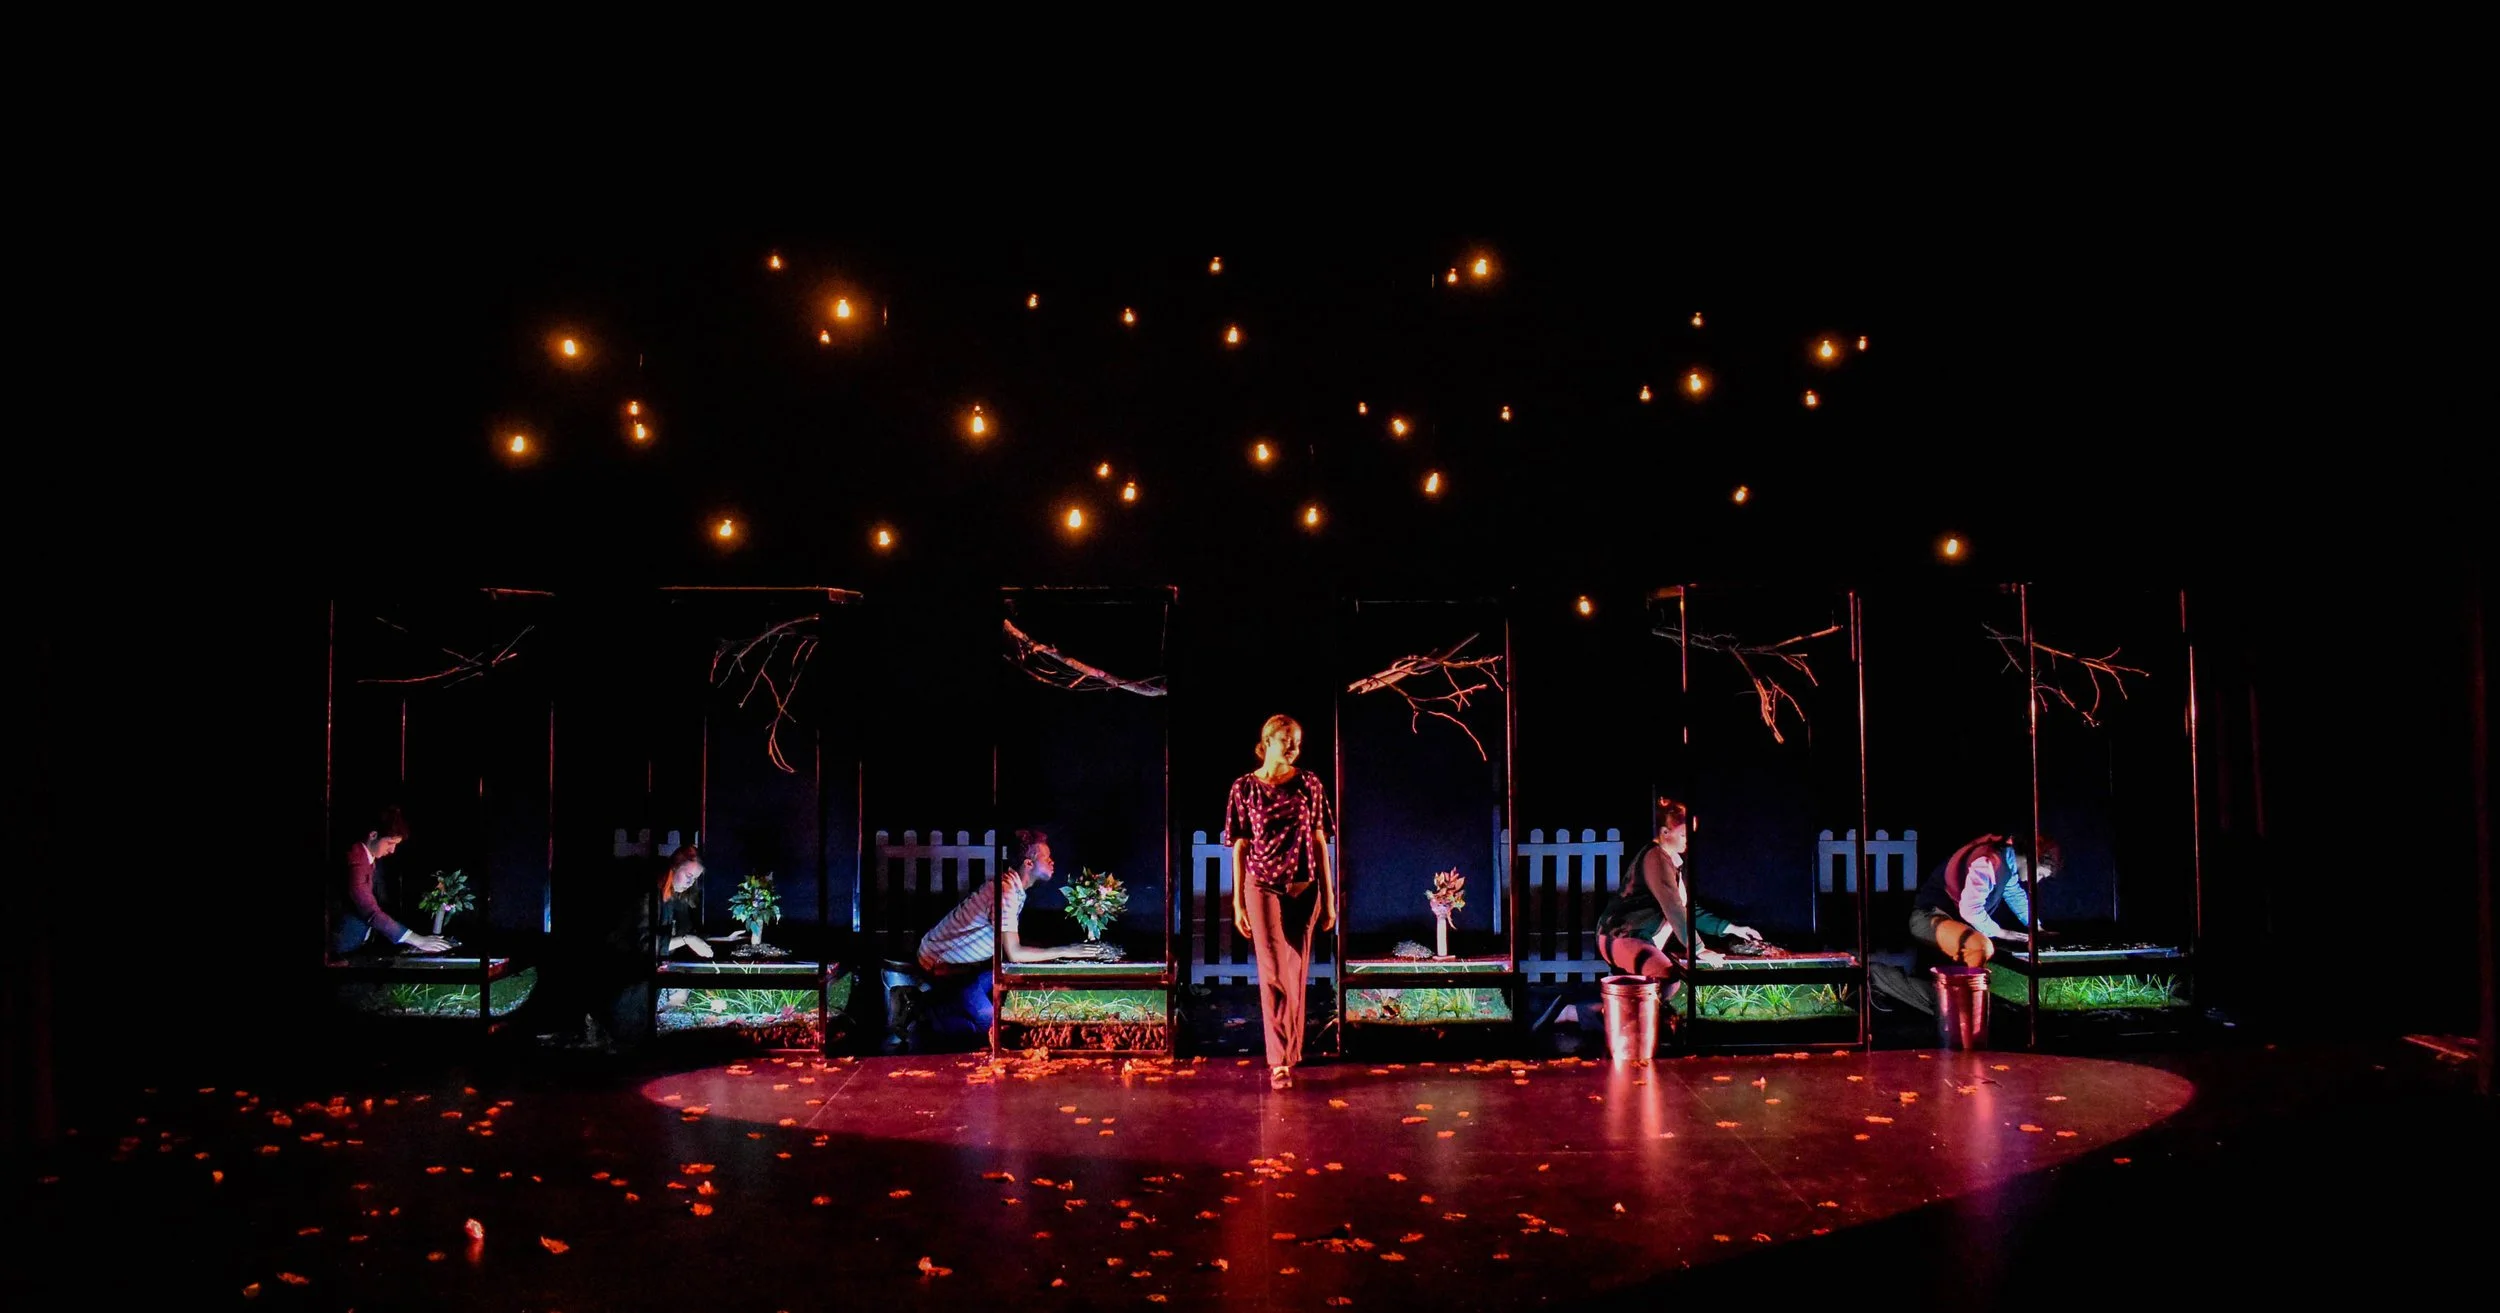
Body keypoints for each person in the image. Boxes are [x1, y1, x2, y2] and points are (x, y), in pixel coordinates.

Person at [908, 829, 1115, 1045]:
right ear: (1028, 863)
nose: (1052, 861)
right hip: (941, 966)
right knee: (991, 1027)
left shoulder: (1013, 887)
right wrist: (1066, 951)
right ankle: (923, 1013)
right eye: (1046, 857)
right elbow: (1015, 953)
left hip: (964, 967)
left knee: (1004, 985)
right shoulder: (1006, 892)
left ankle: (934, 1006)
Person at [1224, 715, 1338, 1090]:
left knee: (1295, 972)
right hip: (1262, 885)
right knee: (1273, 972)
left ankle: (1290, 1051)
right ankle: (1279, 1062)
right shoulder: (1244, 788)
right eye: (1287, 740)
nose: (1293, 748)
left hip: (1304, 888)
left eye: (1298, 743)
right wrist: (1238, 902)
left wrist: (1329, 897)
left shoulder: (1309, 784)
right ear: (1268, 740)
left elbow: (1319, 840)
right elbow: (1239, 846)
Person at [1592, 797, 1764, 1004]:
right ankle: (1592, 1015)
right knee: (1669, 978)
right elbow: (1674, 909)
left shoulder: (1672, 861)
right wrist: (1699, 949)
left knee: (1638, 998)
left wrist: (1731, 928)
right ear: (1665, 832)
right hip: (1621, 936)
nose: (1687, 840)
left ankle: (1579, 1013)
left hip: (1632, 938)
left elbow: (1687, 909)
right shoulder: (1655, 858)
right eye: (1683, 834)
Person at [1910, 833, 2058, 968]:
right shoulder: (1988, 862)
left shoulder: (2007, 862)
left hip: (1948, 921)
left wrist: (2036, 927)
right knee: (1979, 947)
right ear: (2032, 859)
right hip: (1928, 917)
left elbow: (2014, 894)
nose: (2037, 881)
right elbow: (1970, 911)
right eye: (2040, 874)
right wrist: (2003, 933)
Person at [331, 806, 451, 956]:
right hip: (340, 947)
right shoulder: (356, 859)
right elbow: (369, 911)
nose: (392, 850)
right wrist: (417, 939)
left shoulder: (369, 858)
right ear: (373, 835)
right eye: (390, 843)